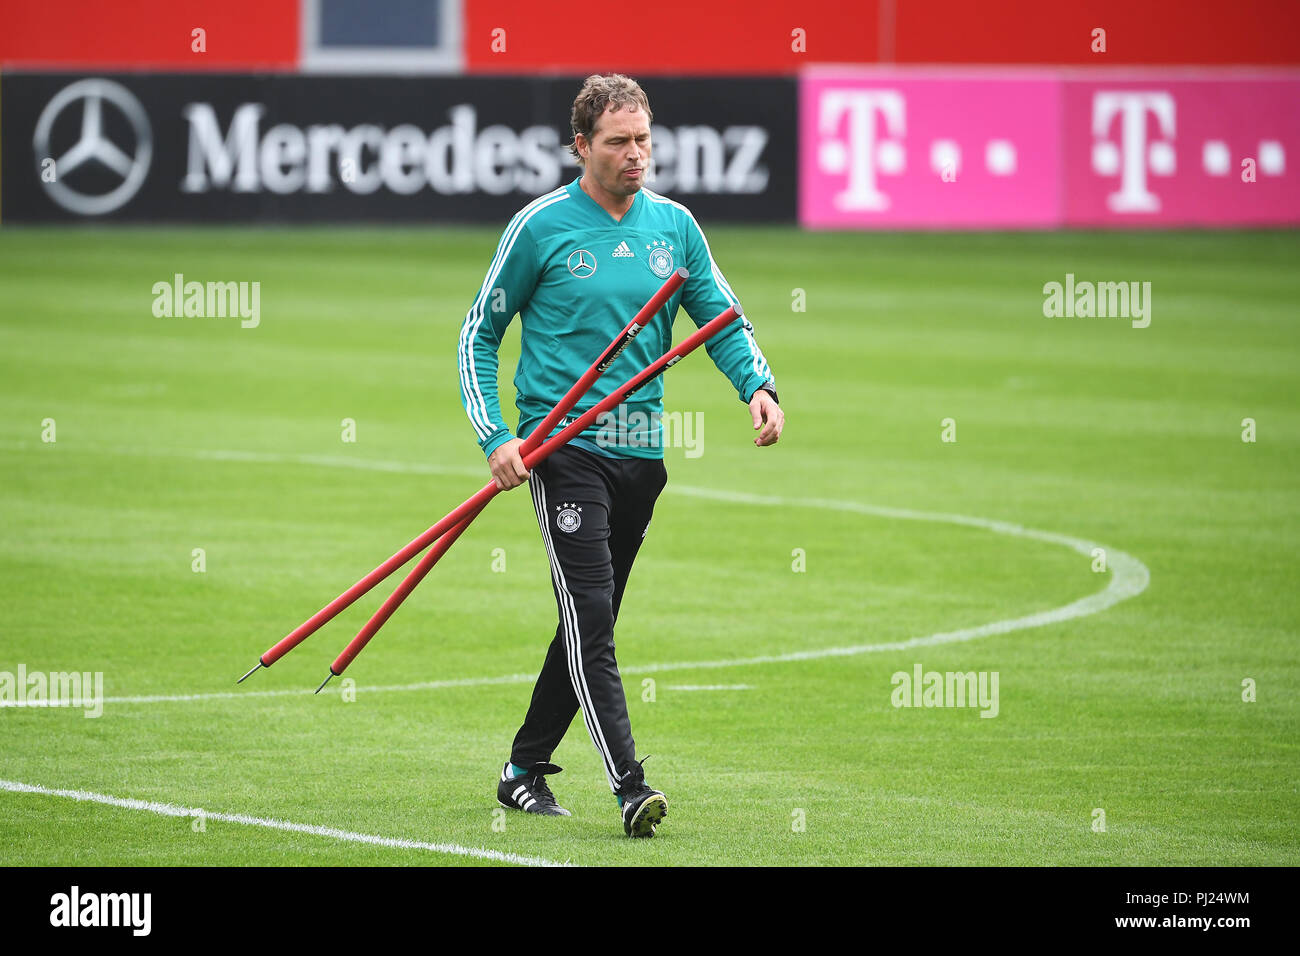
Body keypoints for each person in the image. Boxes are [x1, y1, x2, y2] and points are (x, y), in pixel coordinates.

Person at [458, 73, 783, 838]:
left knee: (585, 622)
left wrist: (757, 387)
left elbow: (719, 314)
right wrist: (497, 437)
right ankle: (630, 787)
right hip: (563, 449)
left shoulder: (674, 226)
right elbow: (479, 333)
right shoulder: (540, 227)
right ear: (581, 147)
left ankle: (522, 769)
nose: (636, 153)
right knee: (593, 620)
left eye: (643, 139)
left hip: (643, 452)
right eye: (618, 142)